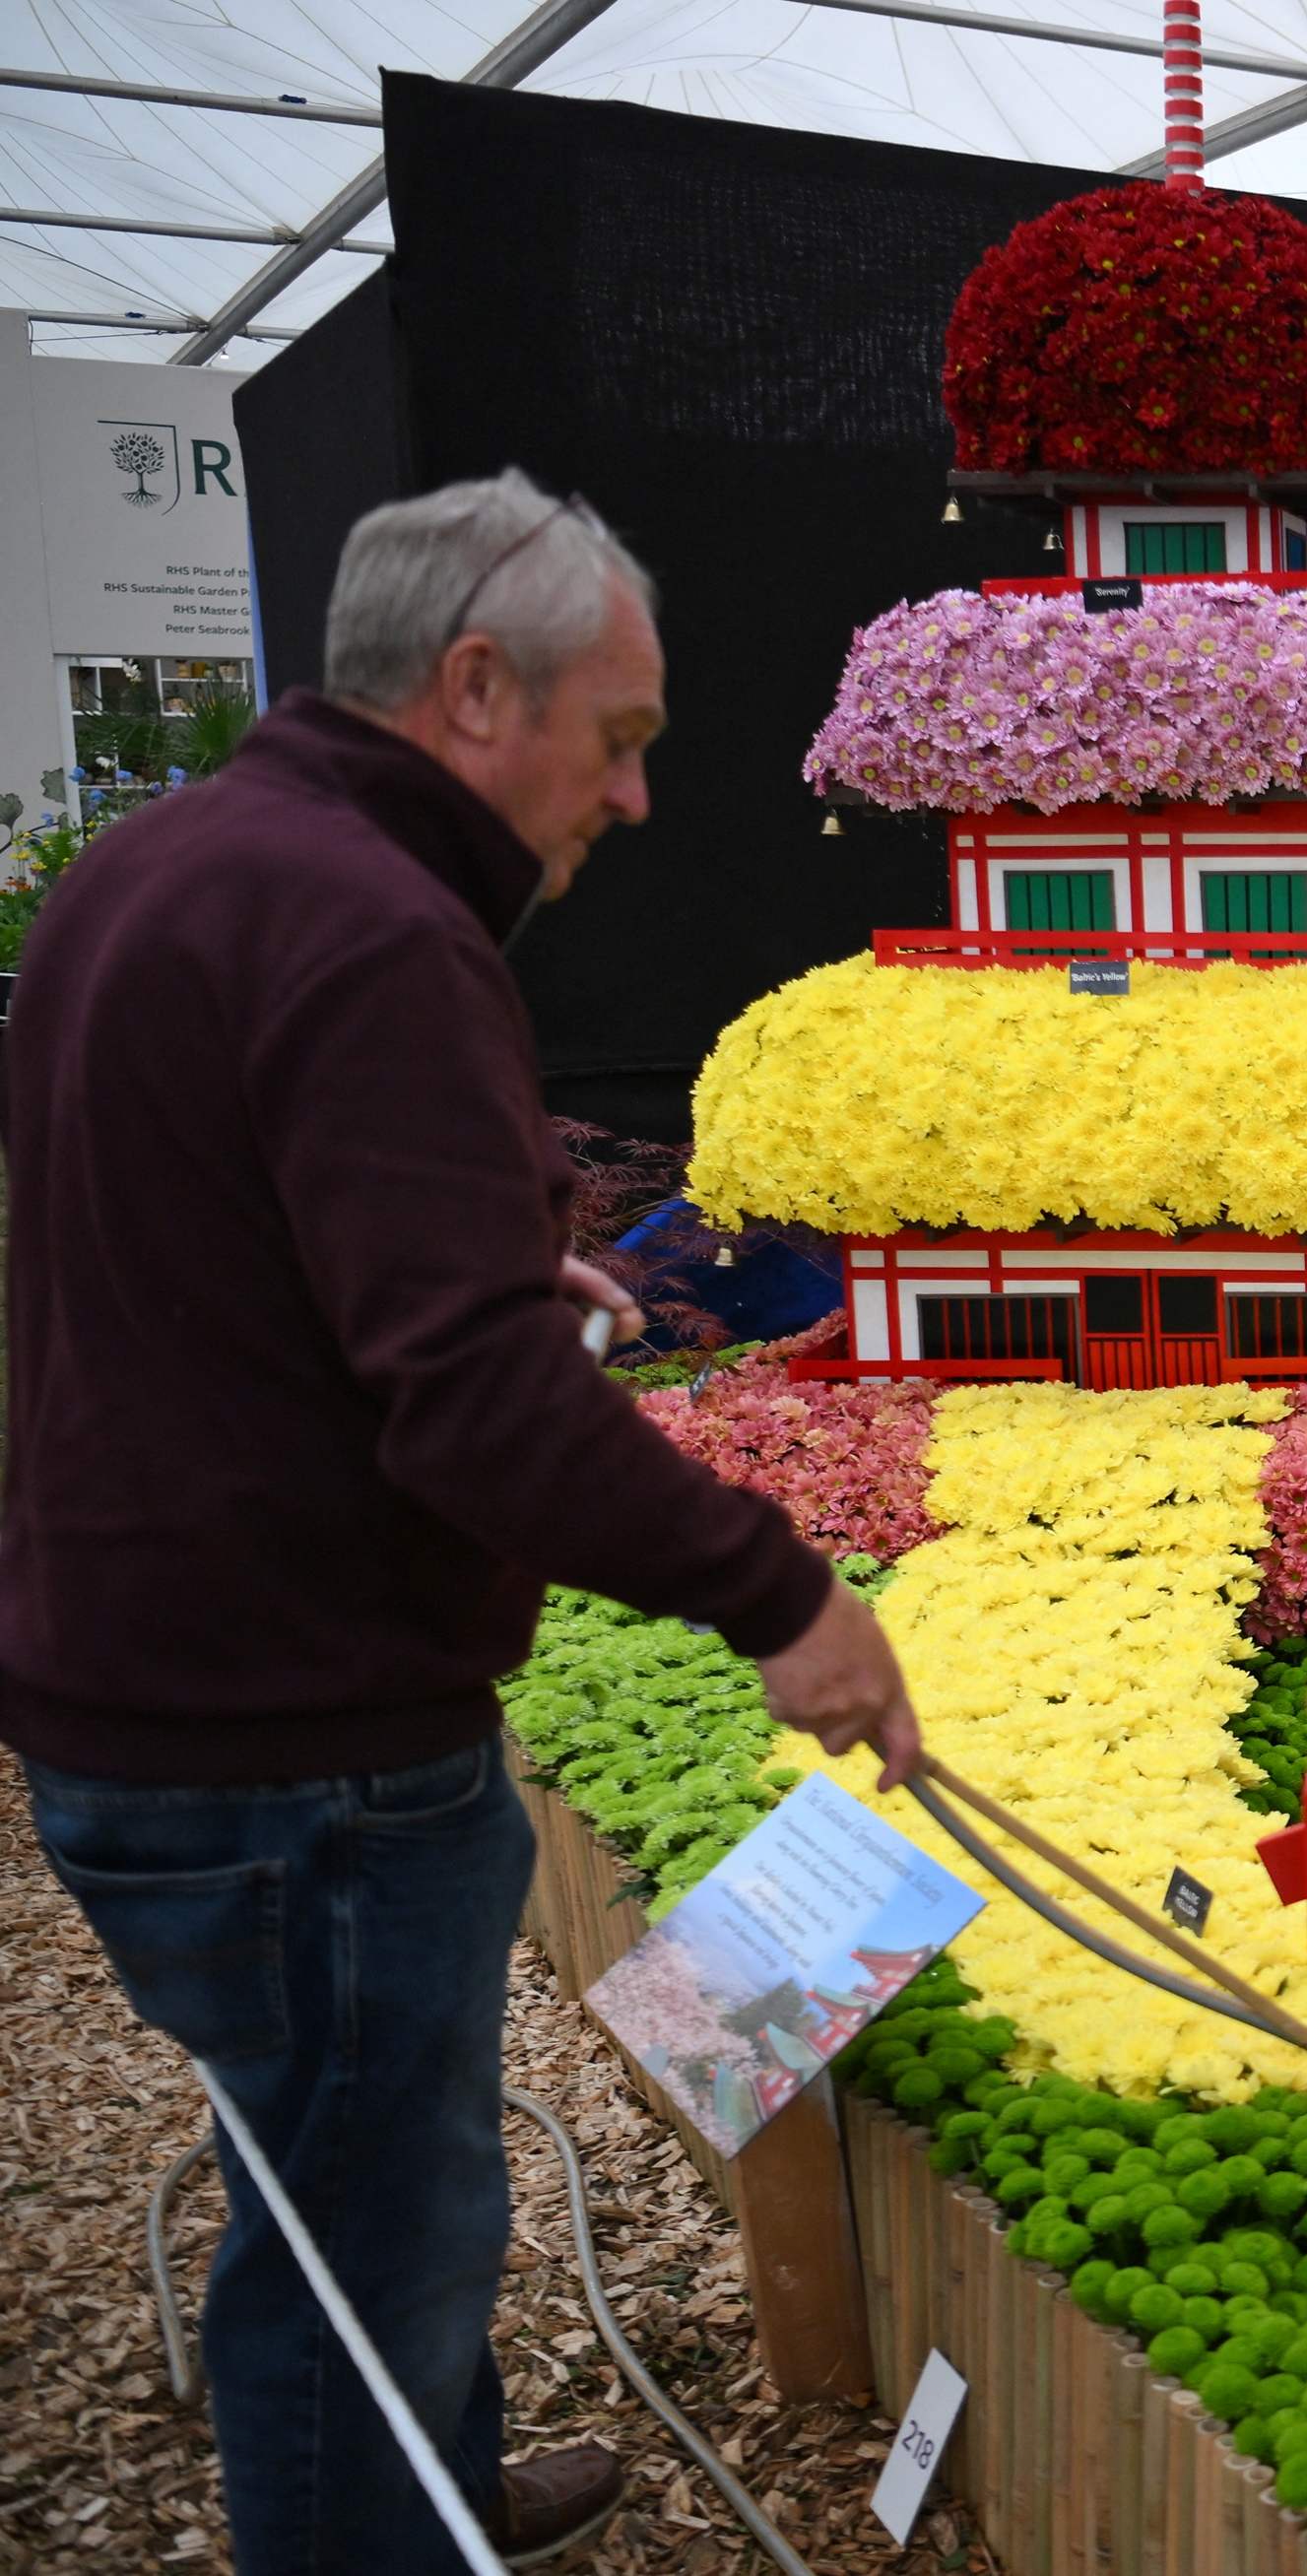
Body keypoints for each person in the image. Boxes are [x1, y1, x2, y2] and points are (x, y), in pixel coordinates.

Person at [0, 471, 921, 2573]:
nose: (638, 797)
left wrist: (505, 1256)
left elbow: (219, 1236)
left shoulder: (176, 865)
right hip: (286, 1732)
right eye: (619, 736)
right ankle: (376, 2508)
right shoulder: (376, 928)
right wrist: (777, 1595)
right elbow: (476, 1414)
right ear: (475, 684)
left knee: (357, 2179)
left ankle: (417, 2479)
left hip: (151, 1686)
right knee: (365, 2236)